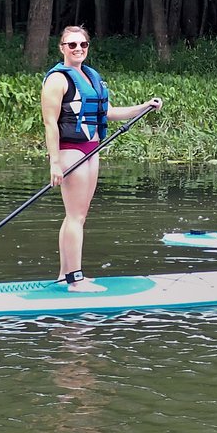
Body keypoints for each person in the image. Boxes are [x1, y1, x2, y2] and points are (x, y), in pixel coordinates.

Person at [42, 25, 162, 291]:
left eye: (82, 44)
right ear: (62, 48)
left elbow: (107, 112)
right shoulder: (57, 80)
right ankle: (75, 280)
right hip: (70, 151)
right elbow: (50, 124)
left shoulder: (90, 76)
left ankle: (65, 274)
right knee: (75, 217)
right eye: (71, 45)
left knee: (76, 216)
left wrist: (144, 106)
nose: (78, 49)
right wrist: (54, 163)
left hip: (92, 150)